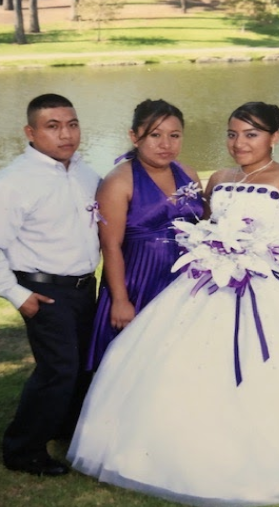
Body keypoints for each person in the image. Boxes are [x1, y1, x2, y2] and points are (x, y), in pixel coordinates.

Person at [67, 102, 279, 506]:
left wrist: (260, 252)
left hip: (271, 283)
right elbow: (207, 227)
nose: (239, 143)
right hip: (213, 281)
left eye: (251, 134)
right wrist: (216, 248)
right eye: (232, 134)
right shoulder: (219, 179)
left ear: (275, 138)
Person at [0, 94, 101, 476]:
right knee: (57, 370)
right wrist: (18, 296)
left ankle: (64, 427)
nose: (66, 134)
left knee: (81, 366)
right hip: (43, 290)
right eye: (53, 126)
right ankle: (22, 449)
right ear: (30, 132)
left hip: (83, 286)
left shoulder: (85, 173)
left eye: (72, 124)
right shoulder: (12, 183)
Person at [86, 99, 204, 370]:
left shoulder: (188, 173)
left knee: (180, 359)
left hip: (184, 280)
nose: (166, 144)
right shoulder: (119, 181)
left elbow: (203, 225)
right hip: (139, 281)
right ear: (134, 136)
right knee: (137, 362)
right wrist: (120, 299)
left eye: (174, 136)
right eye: (155, 135)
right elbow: (111, 245)